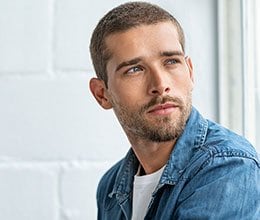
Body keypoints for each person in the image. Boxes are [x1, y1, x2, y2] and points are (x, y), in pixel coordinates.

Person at [89, 1, 260, 219]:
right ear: (102, 94)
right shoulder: (111, 187)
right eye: (135, 69)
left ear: (190, 72)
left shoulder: (228, 167)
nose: (160, 84)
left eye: (171, 61)